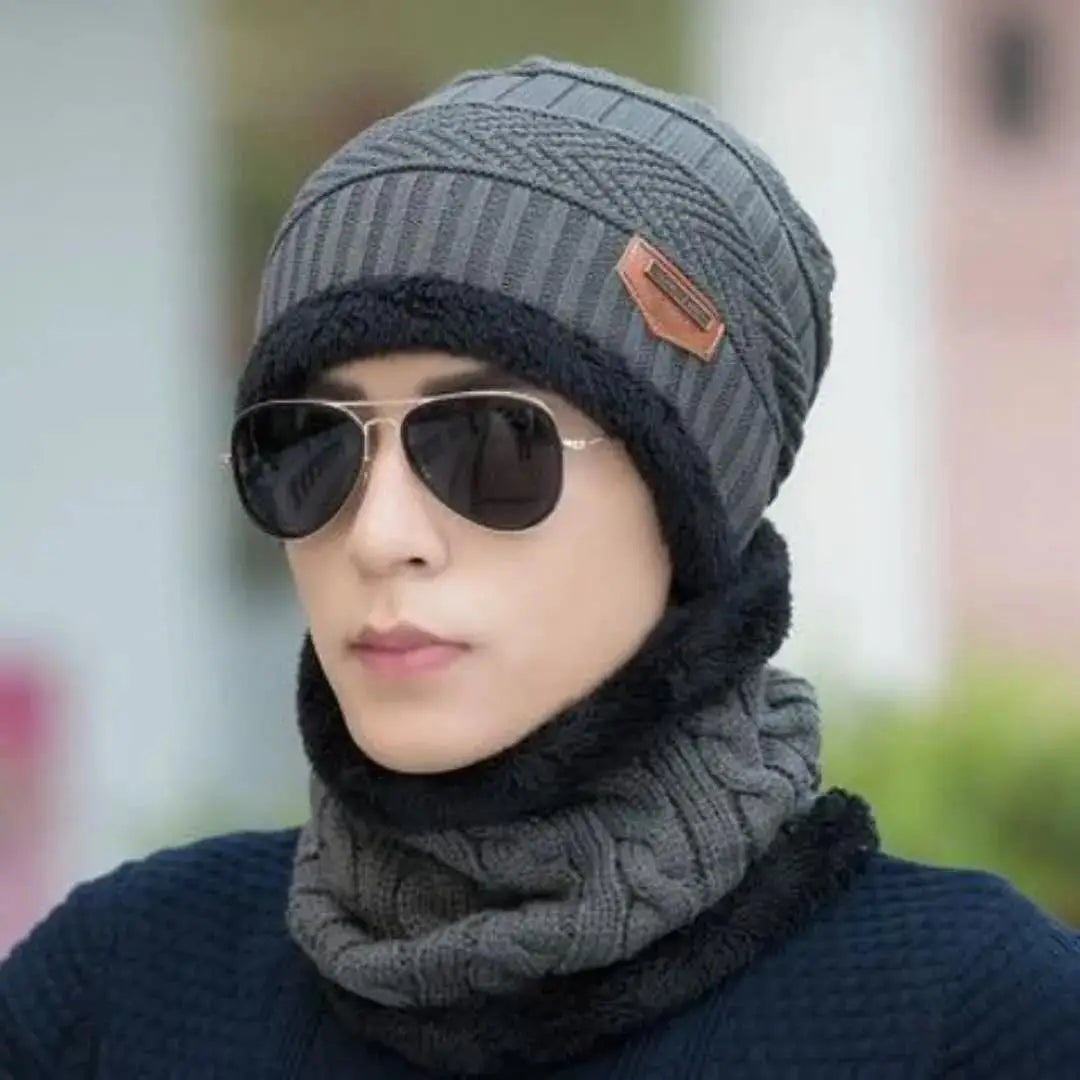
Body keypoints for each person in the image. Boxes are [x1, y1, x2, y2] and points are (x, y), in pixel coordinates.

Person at [1, 56, 1077, 1080]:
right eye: (310, 446)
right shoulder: (121, 990)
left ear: (690, 505)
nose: (379, 533)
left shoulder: (968, 1019)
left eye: (487, 443)